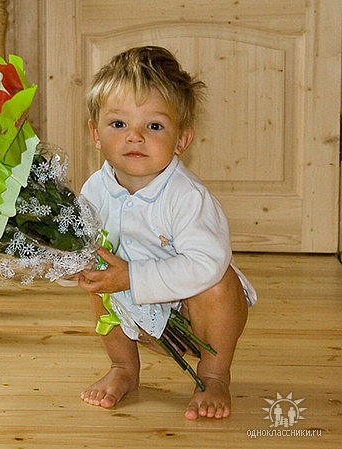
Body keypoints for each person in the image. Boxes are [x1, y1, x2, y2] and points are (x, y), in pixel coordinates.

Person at [77, 46, 257, 420]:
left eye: (154, 126)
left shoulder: (186, 197)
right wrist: (66, 264)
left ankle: (213, 375)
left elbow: (206, 263)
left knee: (219, 281)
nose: (134, 137)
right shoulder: (94, 189)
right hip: (136, 314)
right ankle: (123, 366)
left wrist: (132, 276)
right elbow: (81, 247)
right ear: (95, 133)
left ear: (181, 140)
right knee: (98, 270)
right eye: (118, 124)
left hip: (195, 318)